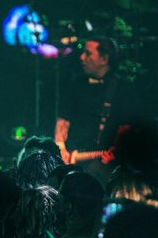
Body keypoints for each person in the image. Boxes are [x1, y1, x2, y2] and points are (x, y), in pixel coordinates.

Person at [54, 37, 136, 171]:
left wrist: (116, 150)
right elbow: (63, 119)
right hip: (72, 161)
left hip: (106, 164)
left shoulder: (123, 87)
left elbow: (126, 126)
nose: (82, 57)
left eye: (88, 54)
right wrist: (61, 147)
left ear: (104, 59)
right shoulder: (76, 84)